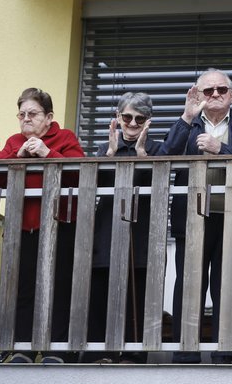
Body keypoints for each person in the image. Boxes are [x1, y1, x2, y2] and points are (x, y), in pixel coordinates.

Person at [160, 68, 232, 364]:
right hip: (193, 215)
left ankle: (227, 349)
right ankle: (186, 350)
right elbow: (166, 154)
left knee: (230, 282)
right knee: (189, 282)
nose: (216, 95)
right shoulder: (188, 124)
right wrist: (186, 117)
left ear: (231, 95)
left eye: (221, 90)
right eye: (208, 91)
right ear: (198, 95)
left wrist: (222, 149)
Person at [0, 88, 85, 363]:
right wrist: (19, 158)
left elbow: (81, 172)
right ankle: (22, 349)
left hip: (59, 226)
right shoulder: (14, 142)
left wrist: (49, 152)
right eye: (22, 114)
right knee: (23, 288)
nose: (26, 119)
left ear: (48, 117)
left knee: (57, 288)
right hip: (22, 229)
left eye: (32, 114)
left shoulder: (65, 138)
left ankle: (54, 350)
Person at [84, 92, 160, 364]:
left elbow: (157, 185)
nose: (132, 123)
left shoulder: (157, 148)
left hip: (140, 231)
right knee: (102, 289)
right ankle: (99, 353)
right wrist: (110, 154)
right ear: (118, 117)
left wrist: (141, 154)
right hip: (107, 227)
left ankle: (133, 354)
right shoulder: (105, 147)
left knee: (137, 291)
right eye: (126, 117)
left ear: (148, 122)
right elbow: (93, 182)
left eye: (139, 119)